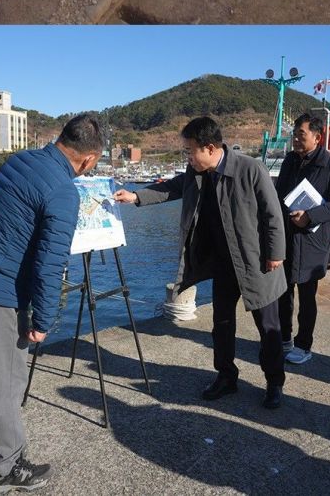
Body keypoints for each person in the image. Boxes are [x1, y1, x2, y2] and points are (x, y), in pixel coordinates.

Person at [0, 114, 104, 494]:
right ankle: (6, 471)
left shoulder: (20, 160)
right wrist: (44, 319)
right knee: (6, 385)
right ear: (88, 160)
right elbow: (51, 264)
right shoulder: (64, 191)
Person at [115, 116, 287, 409]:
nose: (188, 157)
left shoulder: (250, 168)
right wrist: (135, 197)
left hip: (256, 262)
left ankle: (274, 382)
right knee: (221, 324)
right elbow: (172, 187)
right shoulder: (195, 173)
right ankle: (226, 376)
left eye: (190, 150)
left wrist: (276, 254)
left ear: (209, 148)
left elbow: (273, 214)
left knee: (268, 326)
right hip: (222, 263)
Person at [276, 113, 330, 366]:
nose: (295, 139)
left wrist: (310, 216)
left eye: (300, 135)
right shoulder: (289, 162)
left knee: (307, 297)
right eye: (294, 134)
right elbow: (278, 196)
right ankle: (284, 339)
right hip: (286, 238)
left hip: (312, 242)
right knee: (282, 294)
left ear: (317, 138)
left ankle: (304, 344)